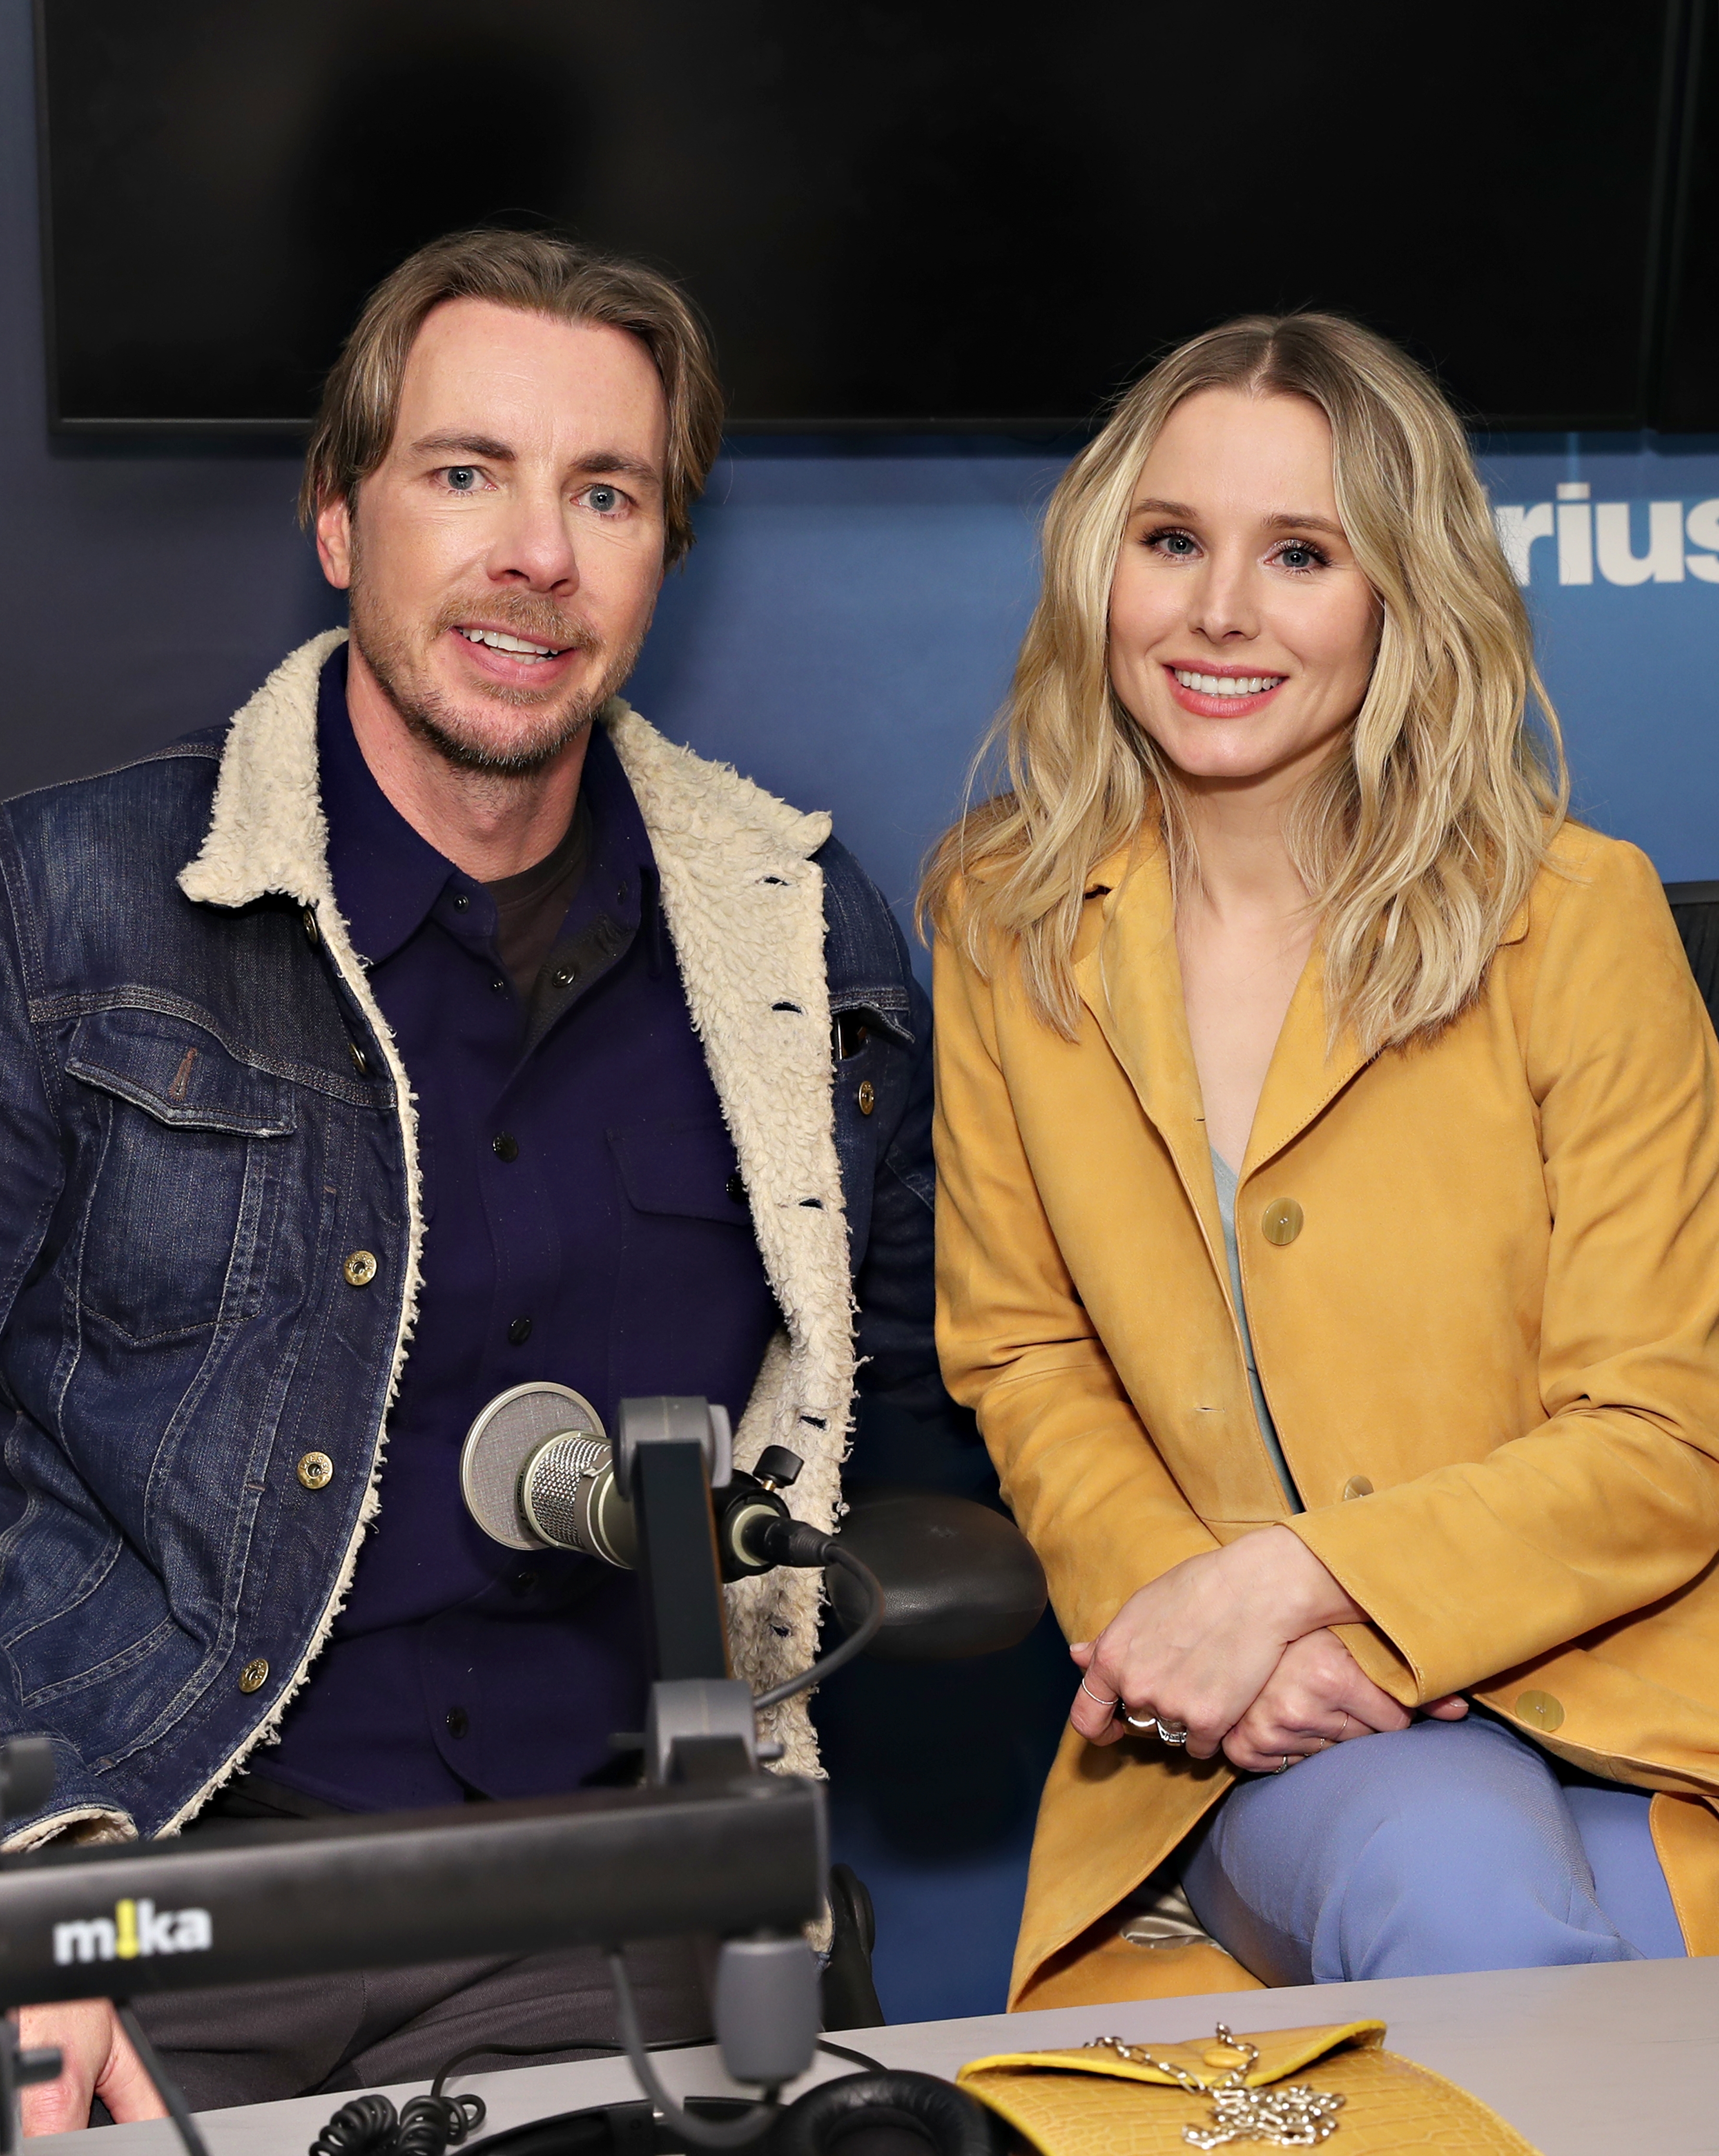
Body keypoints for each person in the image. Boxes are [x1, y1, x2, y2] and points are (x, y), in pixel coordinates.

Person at [7, 229, 938, 2127]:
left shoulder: (793, 952)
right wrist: (34, 1892)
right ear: (339, 517)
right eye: (465, 475)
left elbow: (918, 1396)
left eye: (605, 492)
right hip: (146, 1879)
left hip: (589, 1913)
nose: (536, 552)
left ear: (663, 554)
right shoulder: (68, 908)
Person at [924, 312, 1719, 2012]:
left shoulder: (1579, 917)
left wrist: (1292, 1580)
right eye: (1171, 541)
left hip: (1632, 1691)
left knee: (1605, 1985)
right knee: (1464, 1898)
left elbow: (1662, 1434)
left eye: (1299, 553)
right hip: (1257, 1735)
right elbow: (1020, 1350)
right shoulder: (1000, 921)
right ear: (1100, 571)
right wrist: (1195, 1631)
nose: (1220, 610)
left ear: (1398, 599)